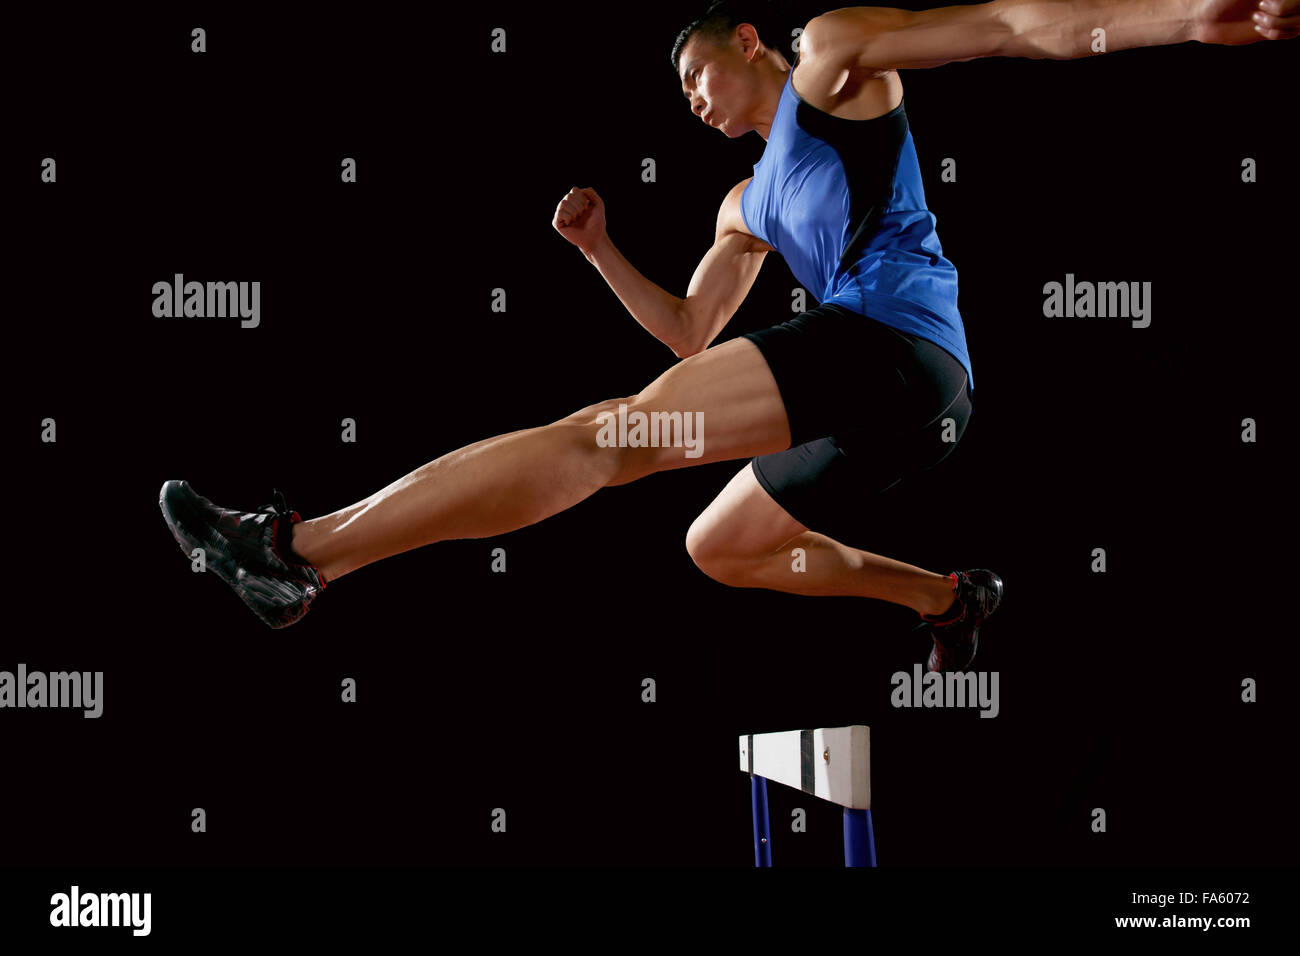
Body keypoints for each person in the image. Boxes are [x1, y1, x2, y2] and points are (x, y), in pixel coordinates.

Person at [159, 0, 1295, 672]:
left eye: (698, 75)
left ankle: (302, 549)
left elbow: (1001, 27)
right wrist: (604, 252)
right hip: (906, 412)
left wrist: (1187, 19)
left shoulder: (832, 64)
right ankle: (948, 598)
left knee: (604, 440)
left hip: (896, 344)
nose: (694, 101)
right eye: (684, 100)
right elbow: (692, 329)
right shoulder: (740, 205)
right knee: (720, 546)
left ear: (747, 42)